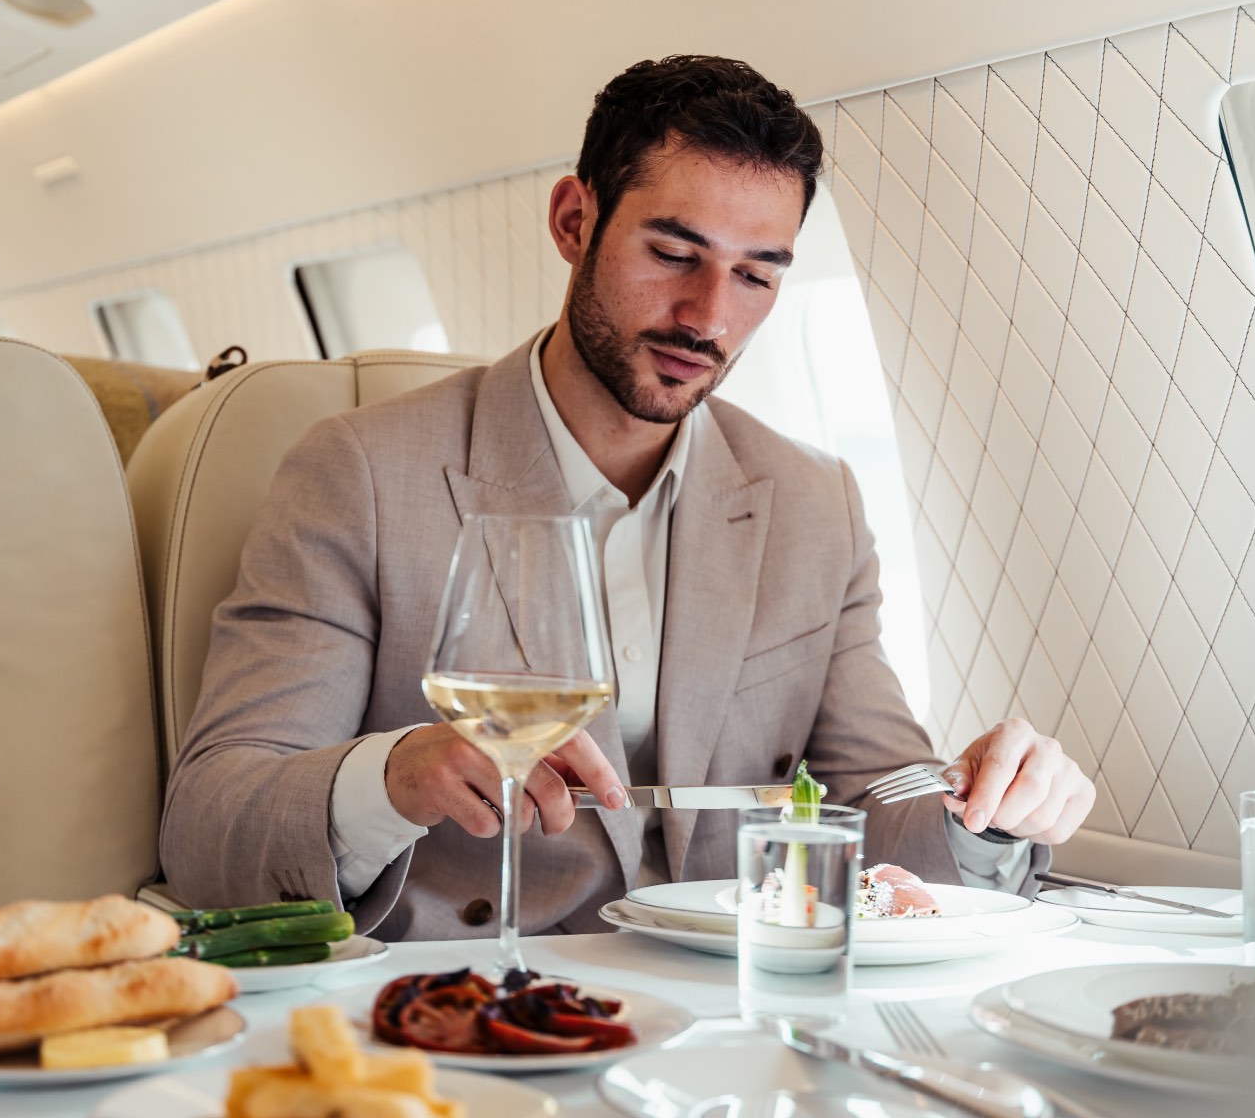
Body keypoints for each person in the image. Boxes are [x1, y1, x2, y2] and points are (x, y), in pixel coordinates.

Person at [159, 55, 1096, 936]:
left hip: (725, 1013)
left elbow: (878, 800)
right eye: (674, 252)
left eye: (757, 275)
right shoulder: (361, 473)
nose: (711, 316)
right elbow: (212, 823)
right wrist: (392, 779)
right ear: (575, 221)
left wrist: (991, 809)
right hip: (474, 1019)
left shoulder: (816, 503)